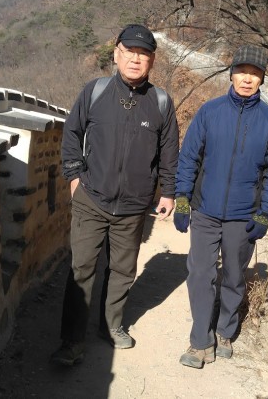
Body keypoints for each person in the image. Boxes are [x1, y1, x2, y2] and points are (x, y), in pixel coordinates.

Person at [52, 24, 179, 366]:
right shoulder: (95, 91)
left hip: (134, 205)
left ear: (152, 61)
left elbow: (169, 151)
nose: (135, 59)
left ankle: (110, 326)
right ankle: (72, 340)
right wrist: (74, 177)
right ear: (116, 54)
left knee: (123, 270)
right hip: (91, 197)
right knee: (81, 269)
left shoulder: (160, 102)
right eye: (129, 52)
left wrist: (168, 192)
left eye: (143, 54)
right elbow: (72, 133)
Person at [173, 44, 268, 368]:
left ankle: (225, 331)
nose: (247, 79)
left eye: (255, 74)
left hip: (243, 215)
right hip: (205, 211)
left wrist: (265, 213)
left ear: (262, 79)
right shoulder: (210, 112)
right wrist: (183, 200)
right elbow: (189, 157)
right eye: (242, 72)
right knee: (200, 274)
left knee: (234, 276)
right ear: (232, 74)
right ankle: (200, 341)